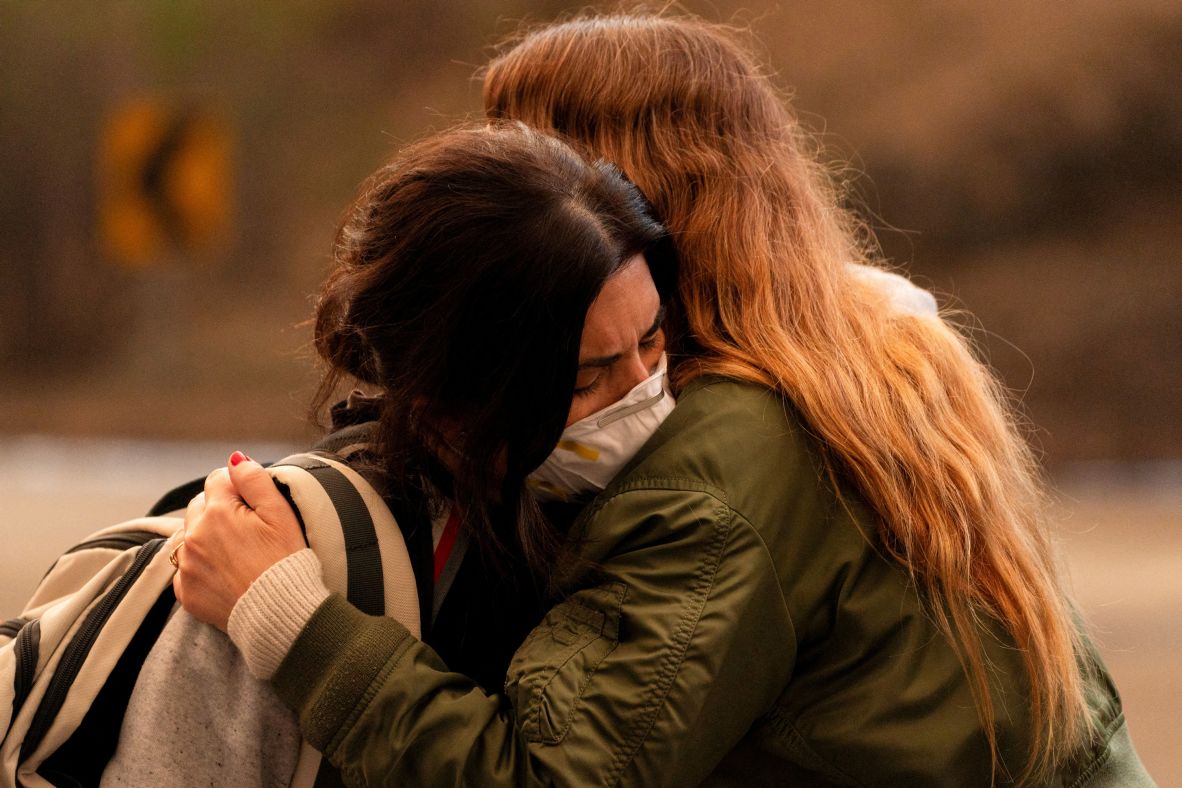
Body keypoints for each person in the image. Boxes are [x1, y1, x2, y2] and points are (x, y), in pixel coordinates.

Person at [174, 12, 1151, 787]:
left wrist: (289, 616)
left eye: (527, 157)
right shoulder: (856, 351)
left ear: (623, 197)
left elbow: (548, 775)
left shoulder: (726, 459)